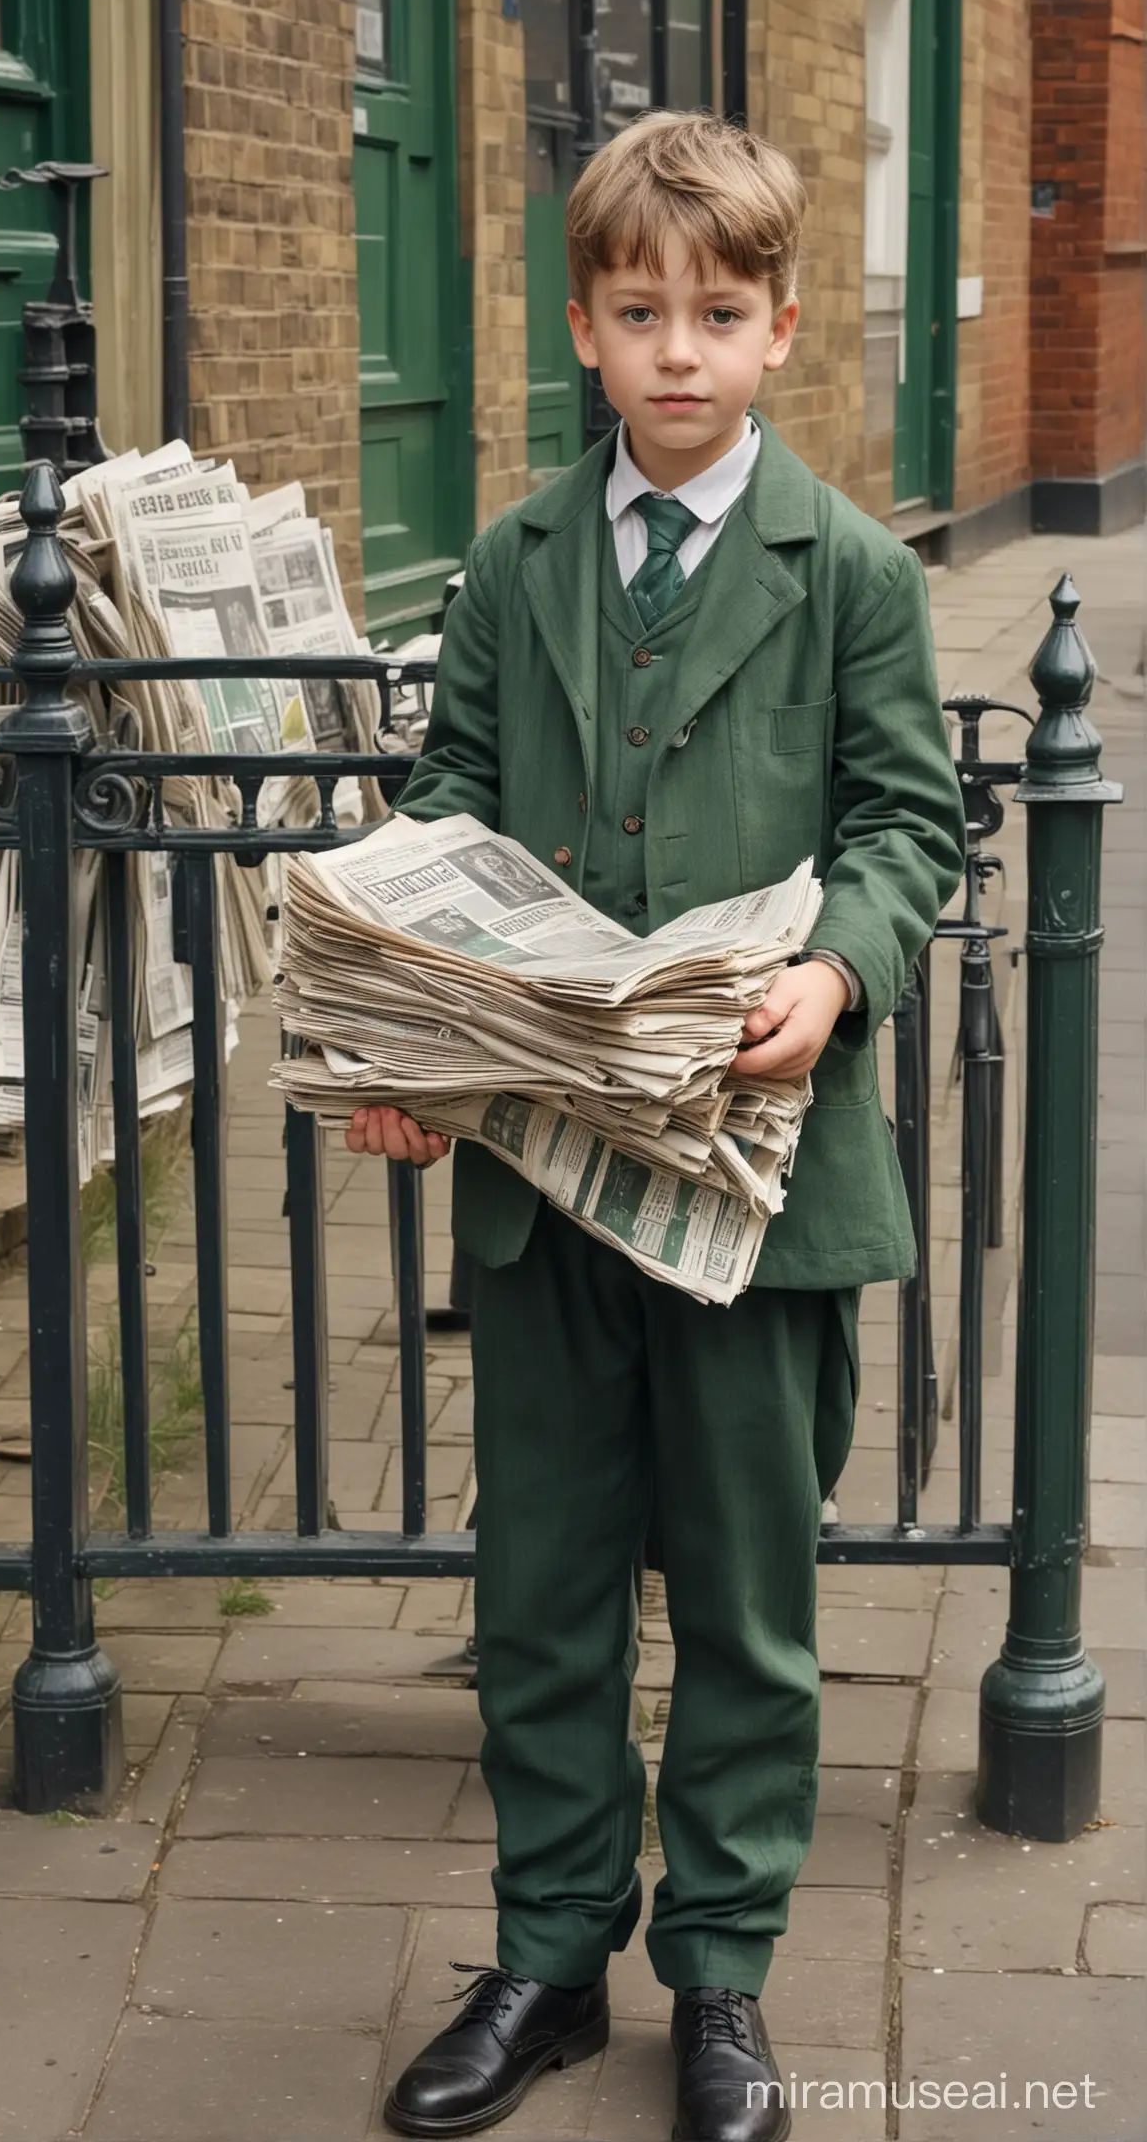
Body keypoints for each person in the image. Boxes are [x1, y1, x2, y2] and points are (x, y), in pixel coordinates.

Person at [348, 112, 965, 2142]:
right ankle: (544, 1961)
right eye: (639, 312)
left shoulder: (854, 570)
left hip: (760, 1186)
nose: (678, 348)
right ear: (586, 334)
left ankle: (721, 1979)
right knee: (535, 1589)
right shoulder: (521, 563)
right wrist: (407, 1031)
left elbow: (907, 829)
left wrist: (841, 973)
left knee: (744, 1604)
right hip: (544, 1175)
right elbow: (445, 792)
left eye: (718, 311)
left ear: (782, 328)